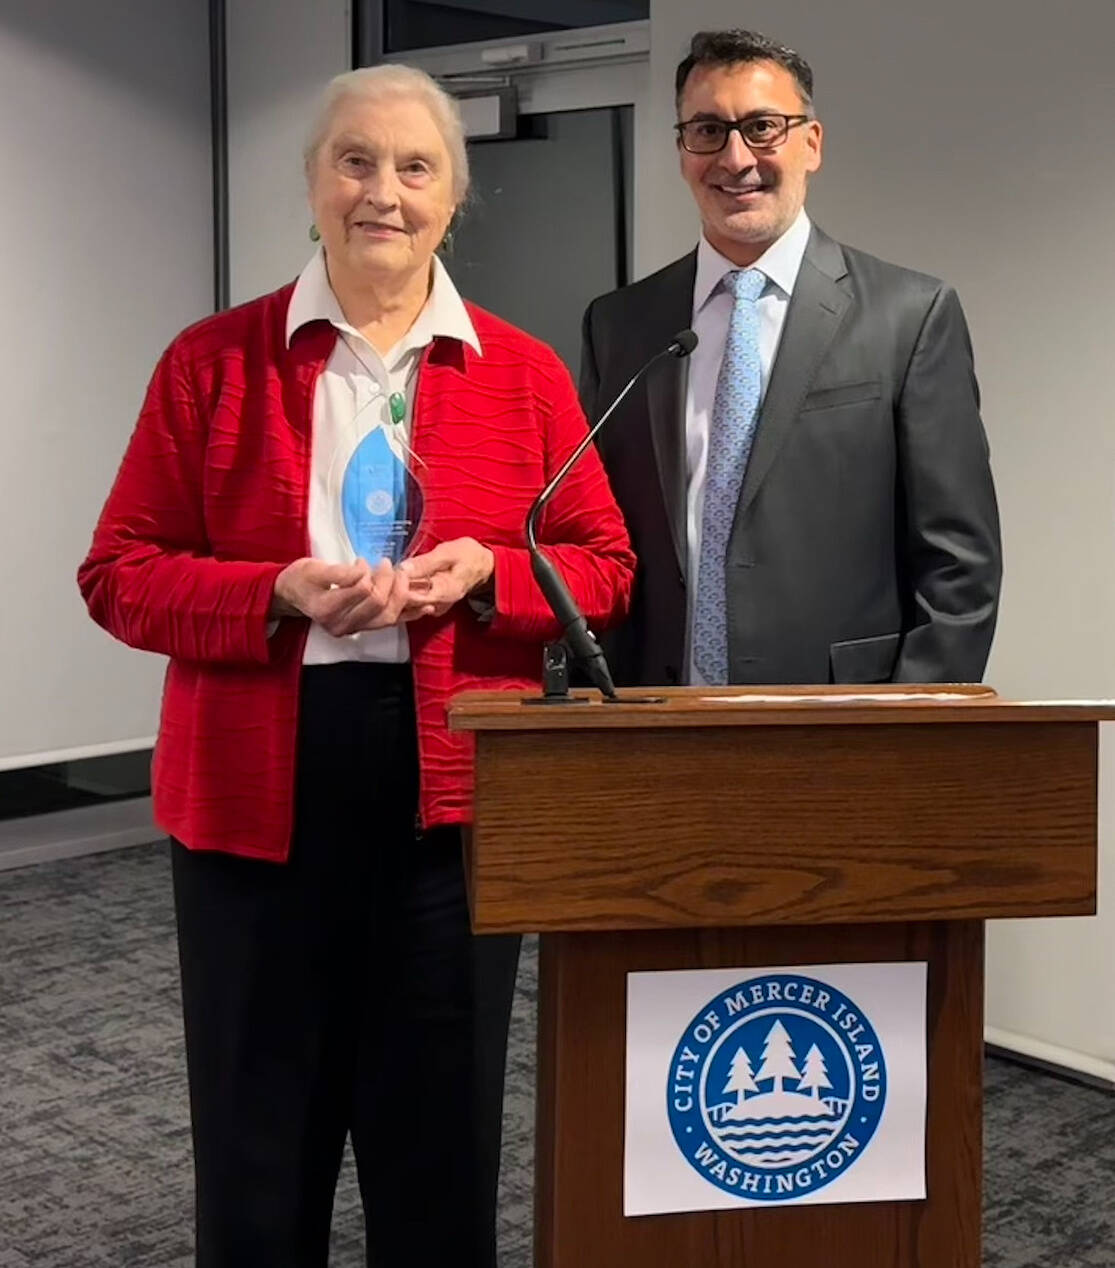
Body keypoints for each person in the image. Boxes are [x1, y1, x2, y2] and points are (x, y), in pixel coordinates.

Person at [78, 63, 634, 1268]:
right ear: (313, 183)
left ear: (454, 195)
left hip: (452, 800)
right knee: (257, 1145)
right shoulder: (211, 364)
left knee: (436, 1147)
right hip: (250, 801)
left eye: (414, 167)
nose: (382, 191)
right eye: (354, 161)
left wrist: (488, 566)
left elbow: (603, 564)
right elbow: (117, 571)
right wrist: (265, 590)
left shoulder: (523, 373)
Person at [581, 28, 1001, 689]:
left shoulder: (908, 315)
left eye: (762, 127)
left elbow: (959, 566)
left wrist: (909, 729)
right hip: (651, 719)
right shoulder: (621, 325)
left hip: (841, 724)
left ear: (811, 143)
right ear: (681, 149)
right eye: (707, 131)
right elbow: (594, 535)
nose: (735, 156)